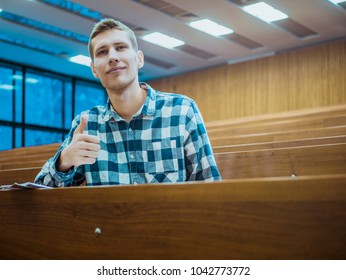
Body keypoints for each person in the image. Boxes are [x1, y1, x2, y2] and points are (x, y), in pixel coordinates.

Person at [35, 18, 221, 187]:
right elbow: (42, 191)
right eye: (102, 52)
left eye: (121, 47)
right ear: (94, 70)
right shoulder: (87, 124)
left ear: (139, 58)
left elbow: (210, 187)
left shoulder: (181, 111)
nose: (112, 56)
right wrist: (64, 161)